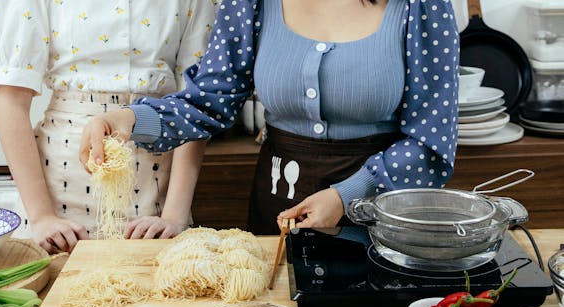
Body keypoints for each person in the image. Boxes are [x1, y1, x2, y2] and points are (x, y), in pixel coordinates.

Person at [79, 0, 460, 234]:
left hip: (383, 222)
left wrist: (347, 197)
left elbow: (430, 143)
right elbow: (209, 100)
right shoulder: (251, 3)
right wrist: (130, 120)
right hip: (275, 212)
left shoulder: (421, 4)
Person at [0, 0, 218, 253]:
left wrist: (173, 215)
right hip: (61, 177)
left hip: (157, 176)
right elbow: (12, 103)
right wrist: (42, 216)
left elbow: (193, 104)